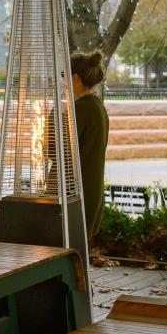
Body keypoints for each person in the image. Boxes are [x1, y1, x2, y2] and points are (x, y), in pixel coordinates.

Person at [70, 49, 109, 237]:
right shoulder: (98, 107)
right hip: (92, 190)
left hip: (77, 193)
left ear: (76, 77)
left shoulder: (80, 109)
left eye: (65, 75)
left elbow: (58, 152)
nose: (64, 81)